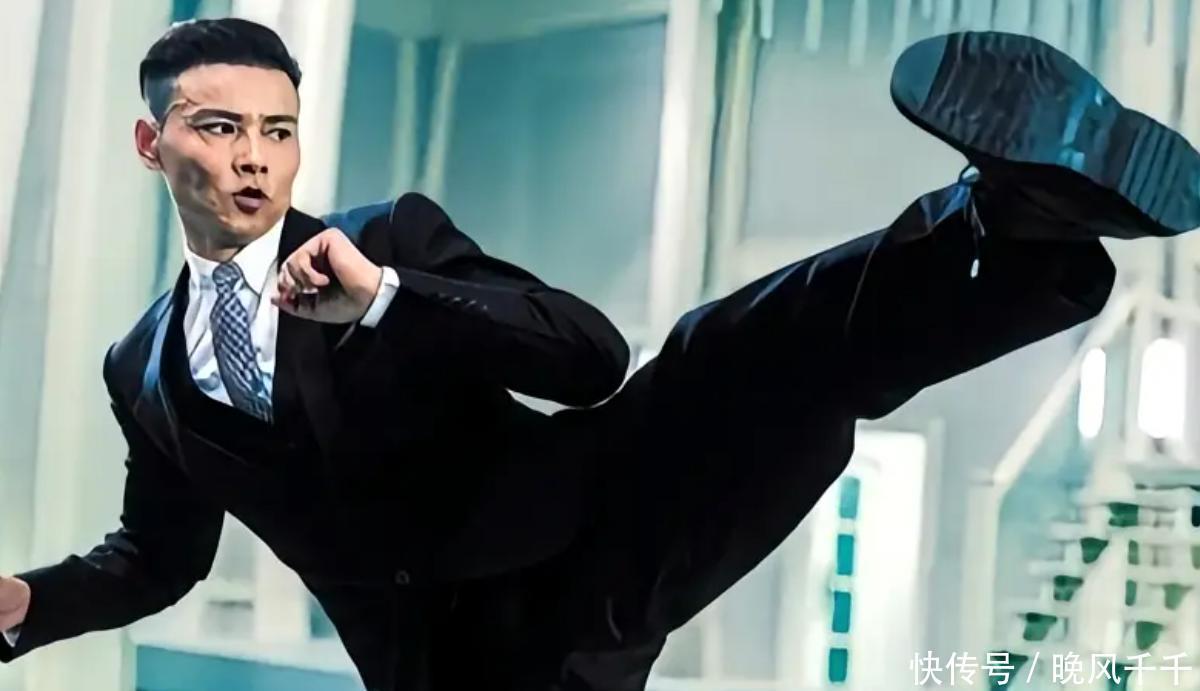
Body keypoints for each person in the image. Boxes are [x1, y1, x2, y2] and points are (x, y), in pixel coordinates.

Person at [2, 18, 1198, 691]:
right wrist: (29, 603)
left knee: (738, 354)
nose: (256, 158)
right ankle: (1008, 225)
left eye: (278, 129)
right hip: (450, 671)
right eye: (220, 128)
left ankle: (1007, 217)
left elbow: (587, 357)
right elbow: (157, 558)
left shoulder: (386, 239)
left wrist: (388, 302)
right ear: (153, 145)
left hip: (583, 537)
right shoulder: (140, 368)